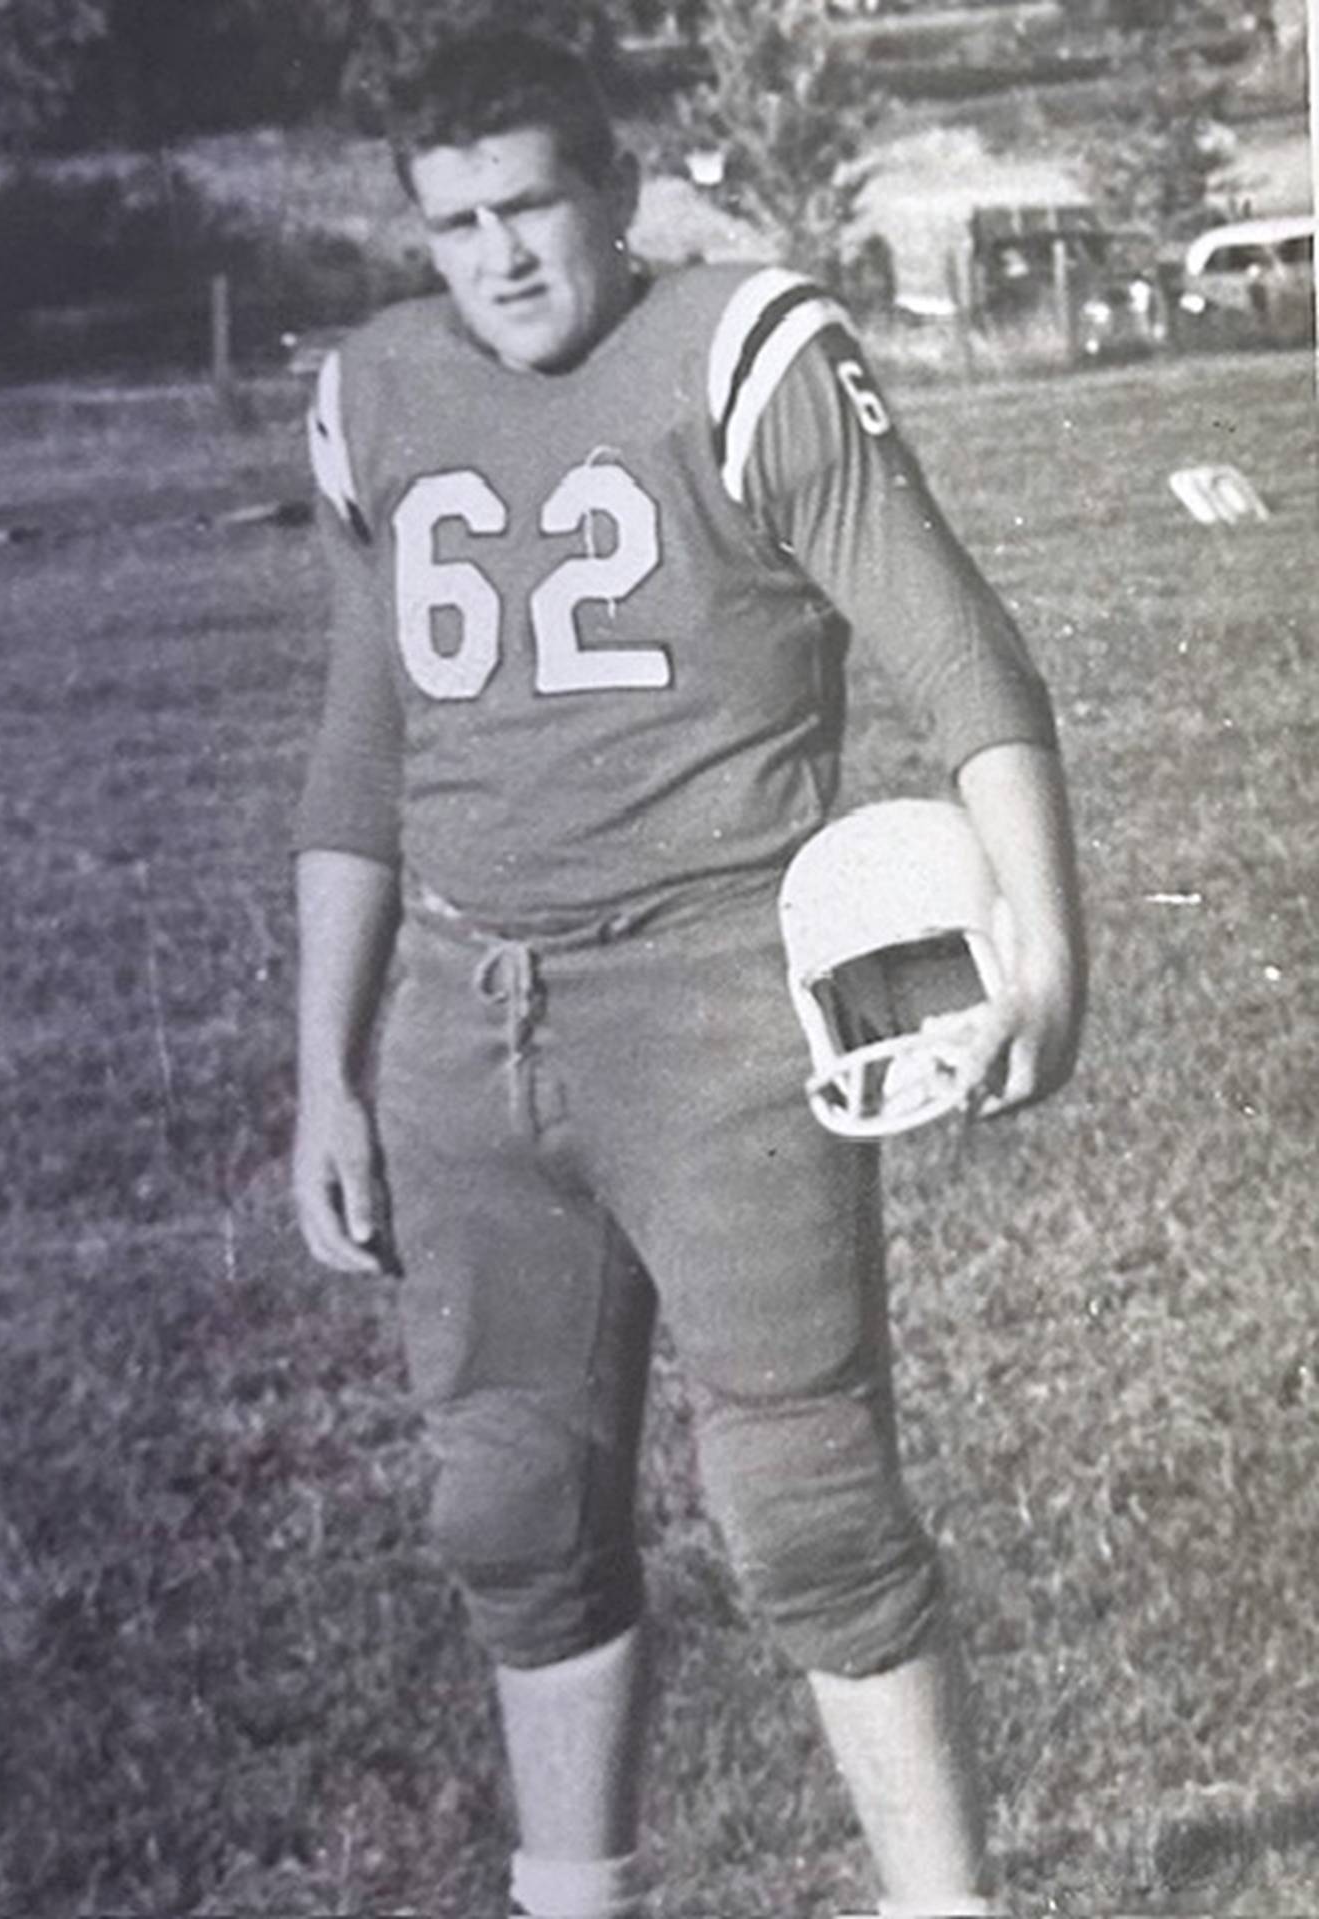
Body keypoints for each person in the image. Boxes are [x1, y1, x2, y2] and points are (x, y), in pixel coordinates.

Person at [291, 29, 1085, 1919]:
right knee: (511, 1509)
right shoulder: (377, 390)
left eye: (526, 207)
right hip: (463, 1031)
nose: (492, 256)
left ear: (612, 188)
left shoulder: (743, 348)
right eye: (451, 221)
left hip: (716, 1007)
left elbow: (964, 662)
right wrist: (321, 1067)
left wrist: (1051, 952)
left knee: (806, 1510)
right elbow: (357, 755)